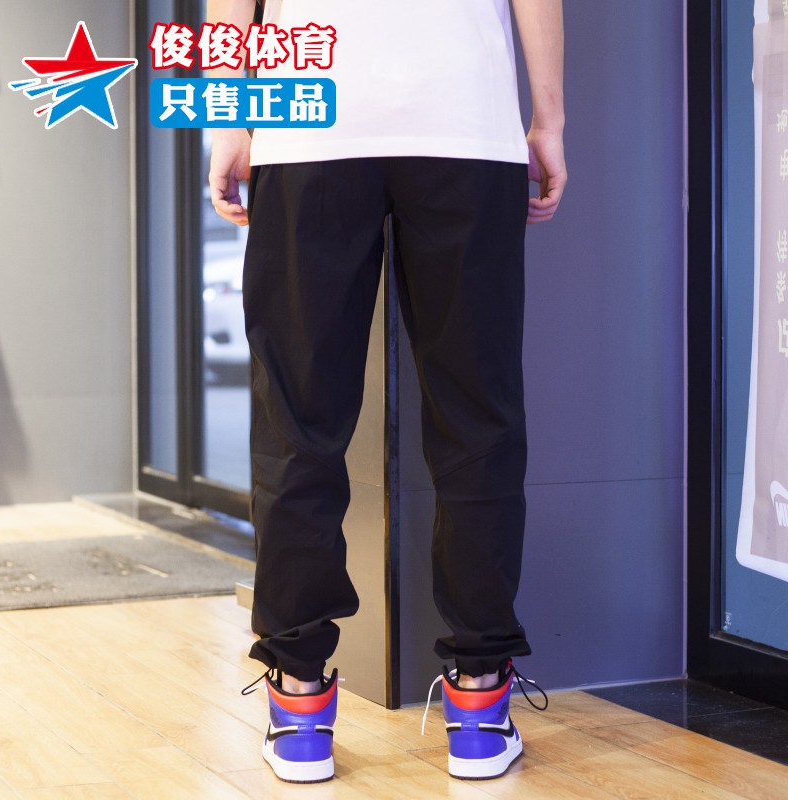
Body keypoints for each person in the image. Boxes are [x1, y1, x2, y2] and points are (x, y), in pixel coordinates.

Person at [208, 0, 566, 784]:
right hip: (464, 120)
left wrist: (228, 119)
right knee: (477, 414)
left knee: (298, 419)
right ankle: (480, 709)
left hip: (307, 123)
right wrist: (548, 120)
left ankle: (299, 709)